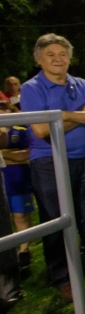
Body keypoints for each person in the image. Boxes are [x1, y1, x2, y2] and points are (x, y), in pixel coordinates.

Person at [19, 33, 85, 301]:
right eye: (51, 55)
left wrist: (63, 117)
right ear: (39, 60)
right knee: (56, 219)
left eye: (62, 54)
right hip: (49, 162)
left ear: (70, 58)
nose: (58, 59)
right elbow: (40, 130)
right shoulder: (31, 88)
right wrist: (82, 115)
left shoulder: (80, 83)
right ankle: (63, 277)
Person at [0, 101, 34, 273]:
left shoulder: (21, 131)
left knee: (20, 215)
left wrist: (5, 155)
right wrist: (12, 155)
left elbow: (25, 155)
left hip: (18, 178)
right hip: (5, 178)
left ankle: (24, 252)